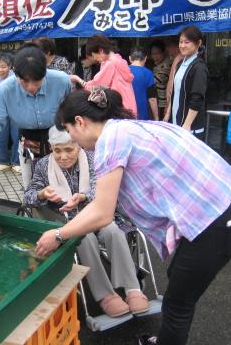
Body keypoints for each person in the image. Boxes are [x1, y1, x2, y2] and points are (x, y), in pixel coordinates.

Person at [35, 88, 231, 345]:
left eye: (70, 131)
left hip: (213, 223)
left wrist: (58, 234)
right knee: (179, 290)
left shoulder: (109, 142)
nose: (73, 140)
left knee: (177, 304)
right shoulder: (130, 128)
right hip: (225, 211)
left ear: (80, 122)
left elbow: (102, 213)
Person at [24, 126, 148, 317]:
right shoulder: (43, 165)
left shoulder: (92, 158)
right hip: (66, 221)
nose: (63, 156)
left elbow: (101, 188)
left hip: (97, 213)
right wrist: (42, 193)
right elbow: (28, 197)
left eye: (68, 149)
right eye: (57, 150)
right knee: (84, 236)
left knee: (113, 230)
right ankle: (105, 295)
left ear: (78, 145)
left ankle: (133, 289)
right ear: (50, 147)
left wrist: (83, 196)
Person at [0, 46, 71, 188]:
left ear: (45, 71)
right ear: (15, 73)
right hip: (27, 138)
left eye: (37, 81)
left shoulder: (62, 81)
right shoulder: (5, 89)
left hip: (60, 137)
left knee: (63, 183)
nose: (31, 87)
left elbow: (73, 109)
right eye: (25, 81)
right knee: (32, 185)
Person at [69, 34, 137, 116]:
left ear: (101, 51)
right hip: (129, 107)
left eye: (94, 55)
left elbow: (96, 86)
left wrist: (78, 79)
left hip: (119, 110)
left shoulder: (109, 64)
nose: (95, 59)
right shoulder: (119, 60)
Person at [167, 26, 209, 140]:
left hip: (190, 127)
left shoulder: (199, 67)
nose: (182, 45)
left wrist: (187, 124)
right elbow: (175, 93)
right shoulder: (180, 64)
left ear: (199, 43)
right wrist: (168, 114)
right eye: (180, 42)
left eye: (187, 42)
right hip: (177, 123)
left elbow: (197, 98)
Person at [129, 47, 158, 121]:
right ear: (145, 59)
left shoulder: (123, 71)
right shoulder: (148, 73)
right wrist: (156, 118)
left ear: (130, 58)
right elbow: (152, 99)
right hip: (142, 115)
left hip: (125, 113)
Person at [149, 40, 170, 119]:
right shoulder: (158, 64)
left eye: (158, 53)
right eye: (153, 54)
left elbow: (156, 80)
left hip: (162, 103)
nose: (155, 56)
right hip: (158, 101)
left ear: (163, 53)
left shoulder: (166, 65)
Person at [163, 37, 183, 122]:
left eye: (169, 46)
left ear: (177, 46)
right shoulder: (178, 58)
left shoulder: (179, 59)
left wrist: (168, 107)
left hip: (175, 102)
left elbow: (172, 85)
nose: (167, 49)